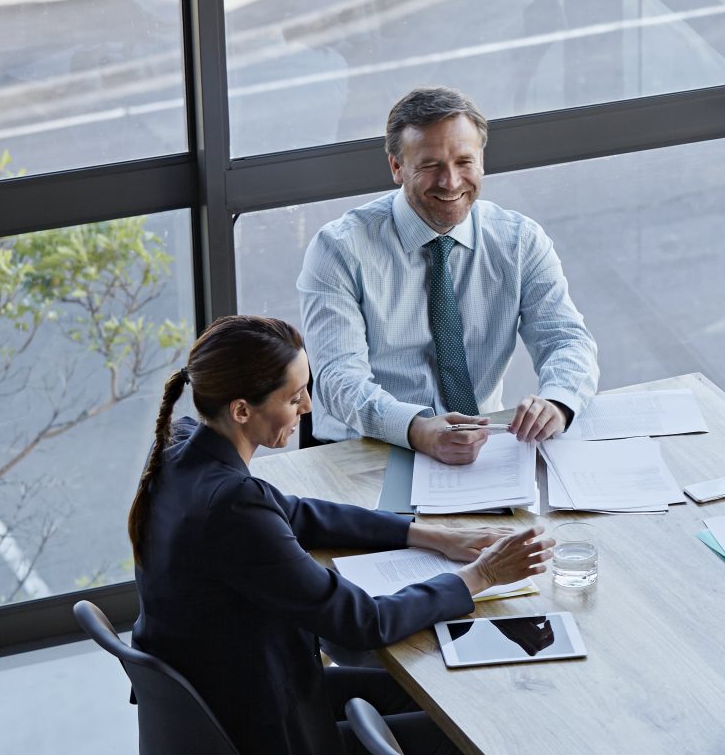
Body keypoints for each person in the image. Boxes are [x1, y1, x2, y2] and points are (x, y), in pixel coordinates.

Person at [126, 315, 551, 755]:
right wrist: (481, 575)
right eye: (294, 398)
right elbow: (362, 623)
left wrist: (429, 534)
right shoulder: (232, 506)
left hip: (227, 695)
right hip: (264, 726)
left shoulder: (180, 449)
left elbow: (296, 513)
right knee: (469, 728)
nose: (308, 406)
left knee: (421, 694)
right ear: (241, 410)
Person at [298, 86, 599, 463]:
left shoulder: (519, 240)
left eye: (464, 162)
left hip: (477, 445)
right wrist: (417, 429)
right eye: (430, 166)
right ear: (397, 167)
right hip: (368, 448)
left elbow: (567, 340)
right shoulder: (339, 249)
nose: (451, 182)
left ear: (482, 160)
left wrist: (557, 401)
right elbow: (339, 380)